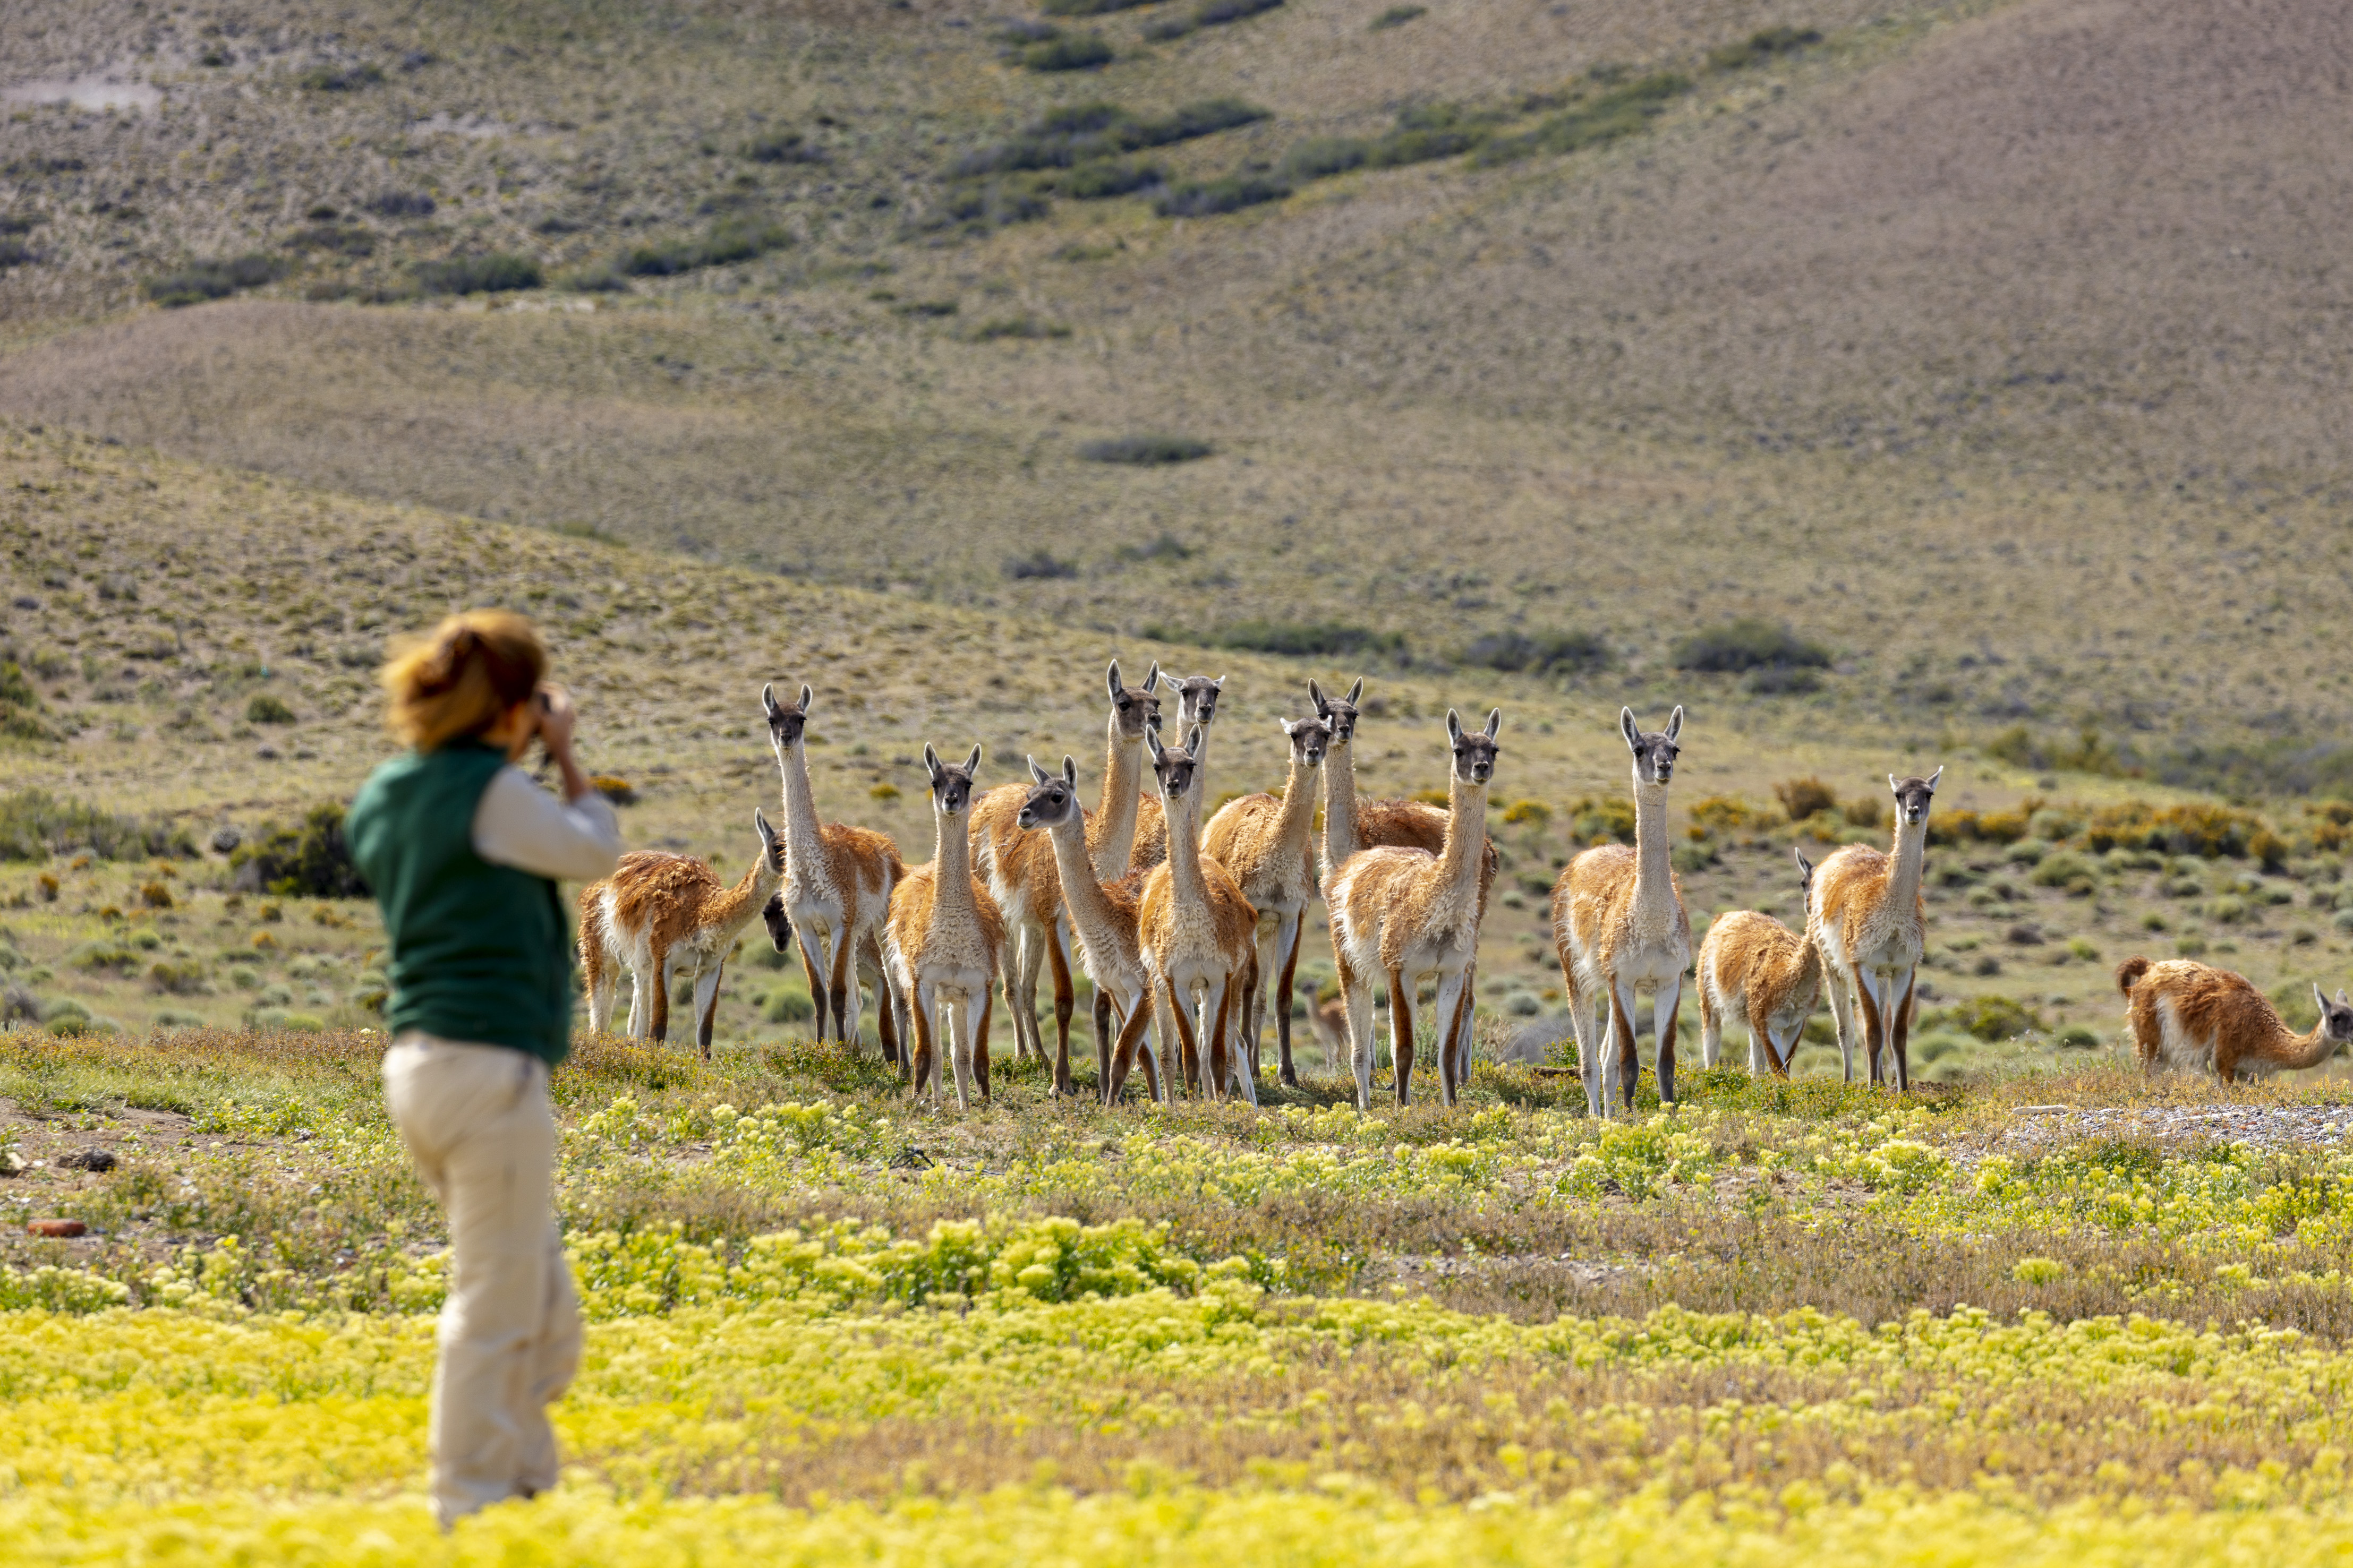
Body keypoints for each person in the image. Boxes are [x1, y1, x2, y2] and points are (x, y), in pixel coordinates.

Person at [344, 609, 622, 1530]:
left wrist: (510, 752)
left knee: (541, 1307)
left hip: (421, 1066)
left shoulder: (389, 791)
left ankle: (529, 1493)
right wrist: (566, 753)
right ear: (510, 706)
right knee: (493, 1307)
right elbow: (592, 850)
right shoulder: (492, 795)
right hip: (488, 1071)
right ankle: (466, 1510)